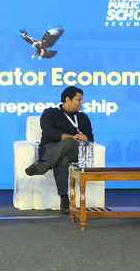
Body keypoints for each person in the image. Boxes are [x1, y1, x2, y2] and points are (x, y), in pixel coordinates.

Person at [25, 86, 94, 214]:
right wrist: (69, 136)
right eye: (78, 100)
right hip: (50, 148)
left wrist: (85, 137)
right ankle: (64, 199)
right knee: (62, 159)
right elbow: (48, 131)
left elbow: (90, 137)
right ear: (67, 99)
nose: (81, 103)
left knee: (70, 143)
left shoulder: (83, 117)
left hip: (74, 150)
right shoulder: (50, 113)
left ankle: (44, 165)